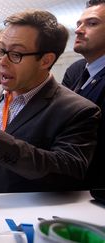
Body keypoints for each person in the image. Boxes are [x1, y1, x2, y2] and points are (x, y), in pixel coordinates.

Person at [0, 9, 100, 193]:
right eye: (1, 51)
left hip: (20, 218)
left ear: (45, 60)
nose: (2, 62)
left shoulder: (77, 111)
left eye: (15, 54)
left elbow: (67, 172)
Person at [62, 0, 105, 189]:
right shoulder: (76, 70)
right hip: (69, 183)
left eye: (92, 23)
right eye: (79, 23)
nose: (79, 30)